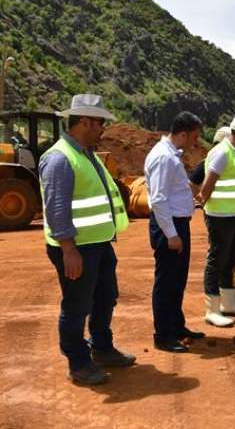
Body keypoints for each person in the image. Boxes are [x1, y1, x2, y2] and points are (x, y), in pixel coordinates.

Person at [39, 94, 135, 385]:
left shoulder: (86, 153)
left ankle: (102, 348)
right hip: (76, 248)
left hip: (99, 243)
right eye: (99, 123)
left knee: (106, 297)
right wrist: (69, 250)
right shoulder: (60, 158)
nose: (103, 129)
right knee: (77, 305)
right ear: (84, 122)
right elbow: (56, 208)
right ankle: (78, 363)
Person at [144, 111, 205, 353]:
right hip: (169, 225)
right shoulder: (164, 158)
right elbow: (158, 199)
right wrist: (171, 234)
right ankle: (164, 335)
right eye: (194, 137)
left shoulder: (170, 155)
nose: (195, 142)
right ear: (182, 134)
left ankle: (176, 326)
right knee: (167, 281)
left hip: (177, 223)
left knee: (177, 280)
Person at [197, 113, 235, 326]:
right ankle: (212, 310)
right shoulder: (222, 153)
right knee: (217, 260)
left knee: (230, 259)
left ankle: (228, 303)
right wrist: (205, 206)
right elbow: (207, 184)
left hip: (234, 215)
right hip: (220, 217)